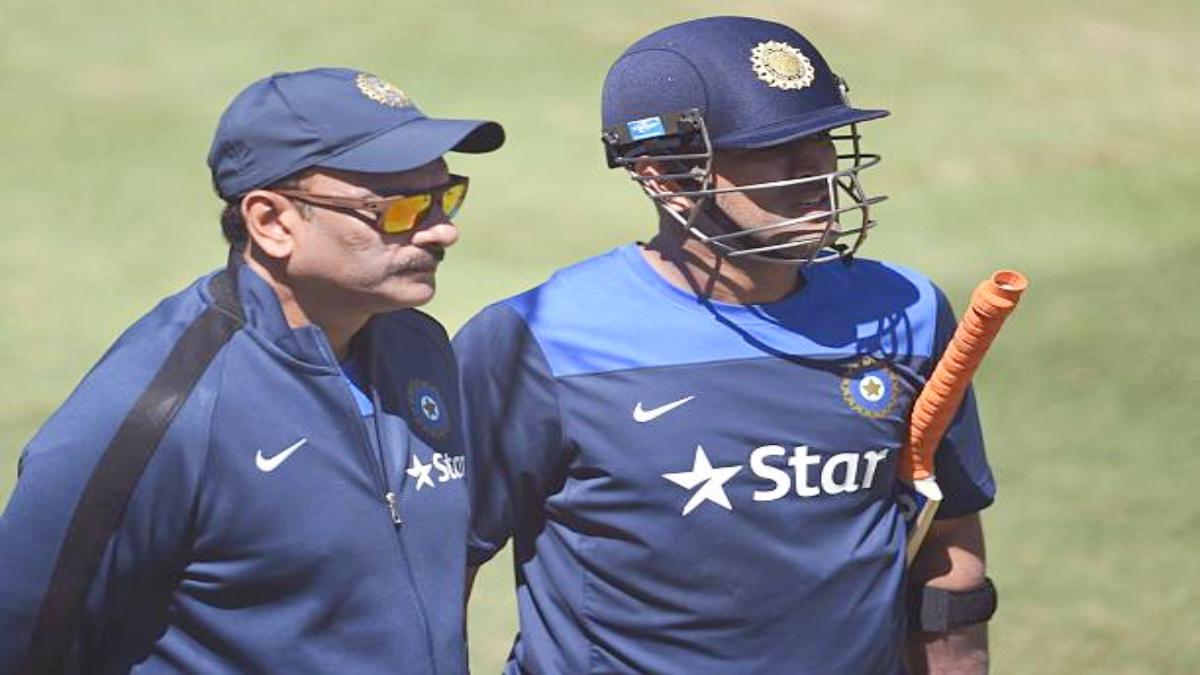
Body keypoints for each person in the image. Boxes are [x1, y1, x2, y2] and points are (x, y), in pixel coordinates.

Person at [455, 17, 995, 674]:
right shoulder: (539, 340)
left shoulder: (903, 313)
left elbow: (948, 541)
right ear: (663, 175)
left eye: (822, 137)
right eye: (771, 150)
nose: (814, 169)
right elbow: (438, 561)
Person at [0, 67, 502, 673]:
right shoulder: (162, 408)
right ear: (271, 221)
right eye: (399, 210)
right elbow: (25, 636)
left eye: (446, 195)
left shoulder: (418, 349)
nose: (443, 228)